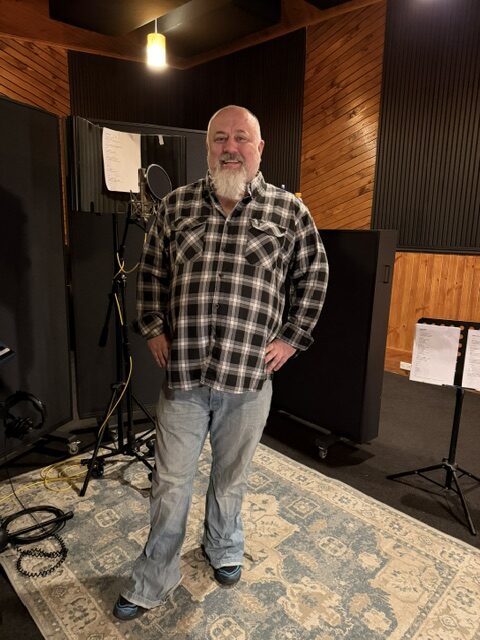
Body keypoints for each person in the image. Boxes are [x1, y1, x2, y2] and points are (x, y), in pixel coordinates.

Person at [113, 105, 329, 620]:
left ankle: (224, 545)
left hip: (249, 378)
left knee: (231, 476)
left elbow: (314, 276)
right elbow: (153, 272)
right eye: (219, 138)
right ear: (207, 147)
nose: (230, 147)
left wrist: (291, 339)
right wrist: (154, 328)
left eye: (240, 138)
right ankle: (154, 575)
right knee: (170, 482)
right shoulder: (176, 206)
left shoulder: (289, 212)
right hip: (185, 376)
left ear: (260, 148)